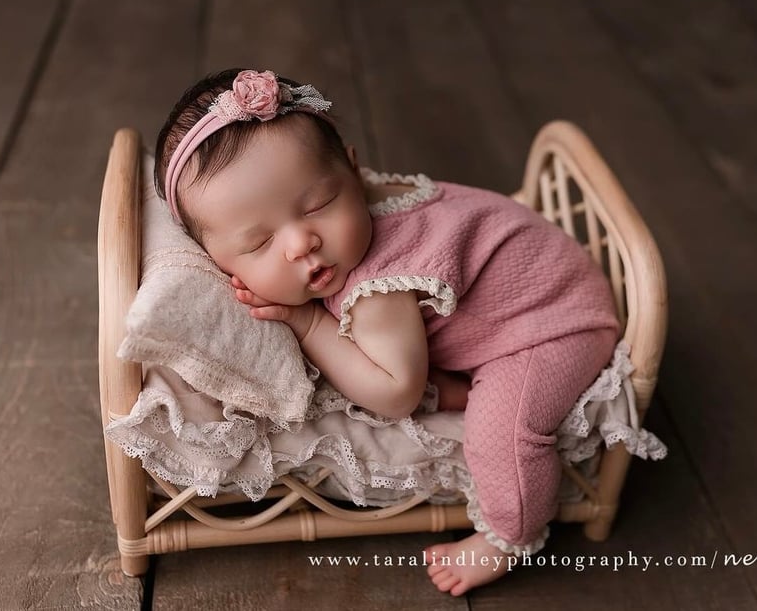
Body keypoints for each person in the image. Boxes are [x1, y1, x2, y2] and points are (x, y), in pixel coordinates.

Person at [154, 68, 620, 595]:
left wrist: (308, 321)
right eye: (259, 241)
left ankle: (511, 536)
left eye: (317, 206)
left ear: (354, 171)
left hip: (553, 323)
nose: (301, 242)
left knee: (502, 434)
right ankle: (454, 386)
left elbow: (394, 395)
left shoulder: (378, 287)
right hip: (538, 271)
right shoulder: (350, 213)